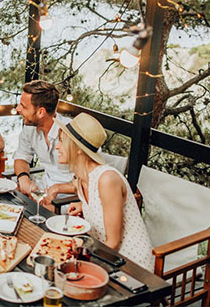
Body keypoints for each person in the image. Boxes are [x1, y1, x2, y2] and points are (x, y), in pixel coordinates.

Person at [54, 113, 154, 271]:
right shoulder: (81, 179)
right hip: (104, 254)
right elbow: (99, 202)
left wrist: (79, 261)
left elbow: (113, 243)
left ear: (79, 149)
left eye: (61, 141)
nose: (57, 146)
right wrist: (84, 205)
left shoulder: (107, 180)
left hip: (130, 264)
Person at [13, 80, 75, 204]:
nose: (18, 109)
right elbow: (21, 157)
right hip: (44, 193)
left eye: (23, 106)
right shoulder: (30, 128)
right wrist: (23, 178)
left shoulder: (72, 133)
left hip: (70, 200)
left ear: (41, 112)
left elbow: (92, 178)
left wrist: (58, 188)